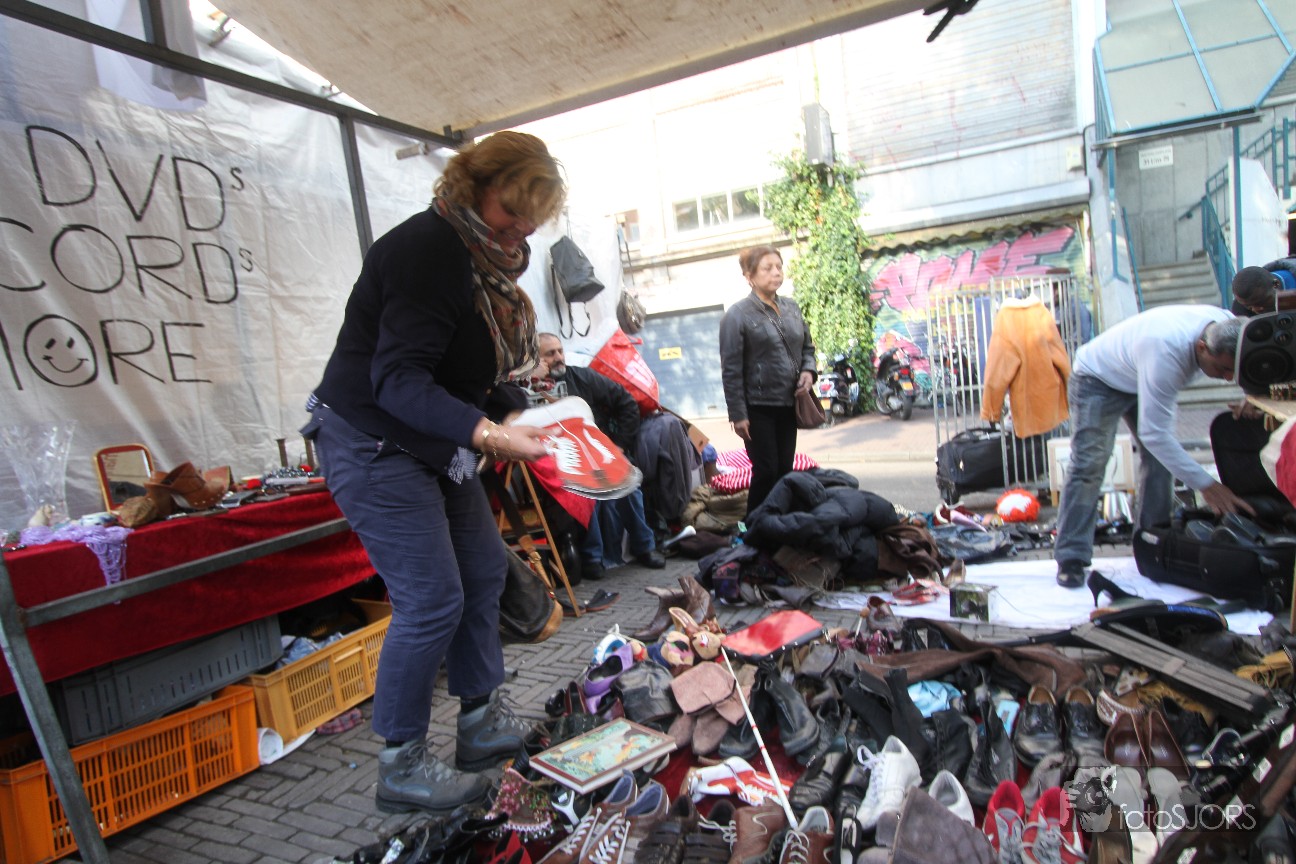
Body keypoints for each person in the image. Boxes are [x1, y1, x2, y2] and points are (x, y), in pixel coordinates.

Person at [302, 132, 564, 814]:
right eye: (513, 210)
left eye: (533, 217)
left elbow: (461, 367)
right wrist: (492, 435)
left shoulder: (485, 261)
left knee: (482, 571)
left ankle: (479, 723)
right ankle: (402, 764)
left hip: (430, 439)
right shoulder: (427, 249)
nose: (522, 228)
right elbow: (398, 380)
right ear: (476, 185)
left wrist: (517, 412)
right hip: (372, 438)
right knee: (430, 599)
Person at [1053, 305, 1252, 588]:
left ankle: (1151, 544)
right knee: (1089, 464)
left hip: (1140, 372)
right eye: (1222, 369)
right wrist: (1207, 485)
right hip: (1097, 379)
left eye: (1233, 370)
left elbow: (1256, 363)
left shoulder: (1228, 325)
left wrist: (1252, 395)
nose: (1229, 377)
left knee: (1161, 463)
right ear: (1202, 347)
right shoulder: (1166, 352)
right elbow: (1155, 435)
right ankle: (1071, 556)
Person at [535, 332, 665, 577]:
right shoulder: (530, 389)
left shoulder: (582, 377)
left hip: (597, 450)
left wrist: (620, 446)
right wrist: (535, 381)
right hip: (560, 458)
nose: (558, 357)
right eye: (550, 354)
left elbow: (626, 402)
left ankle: (645, 547)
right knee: (584, 489)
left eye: (560, 351)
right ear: (536, 359)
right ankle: (592, 557)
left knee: (628, 483)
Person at [719, 245, 816, 517]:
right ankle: (753, 526)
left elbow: (808, 348)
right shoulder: (737, 315)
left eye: (779, 267)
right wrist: (738, 414)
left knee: (785, 469)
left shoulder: (791, 308)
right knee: (766, 470)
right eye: (767, 268)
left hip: (788, 403)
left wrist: (808, 371)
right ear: (749, 276)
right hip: (757, 407)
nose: (776, 272)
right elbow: (731, 369)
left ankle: (780, 522)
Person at [1230, 258, 1296, 316]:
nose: (1256, 310)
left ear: (1276, 284)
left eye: (1262, 302)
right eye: (1249, 307)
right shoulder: (1242, 305)